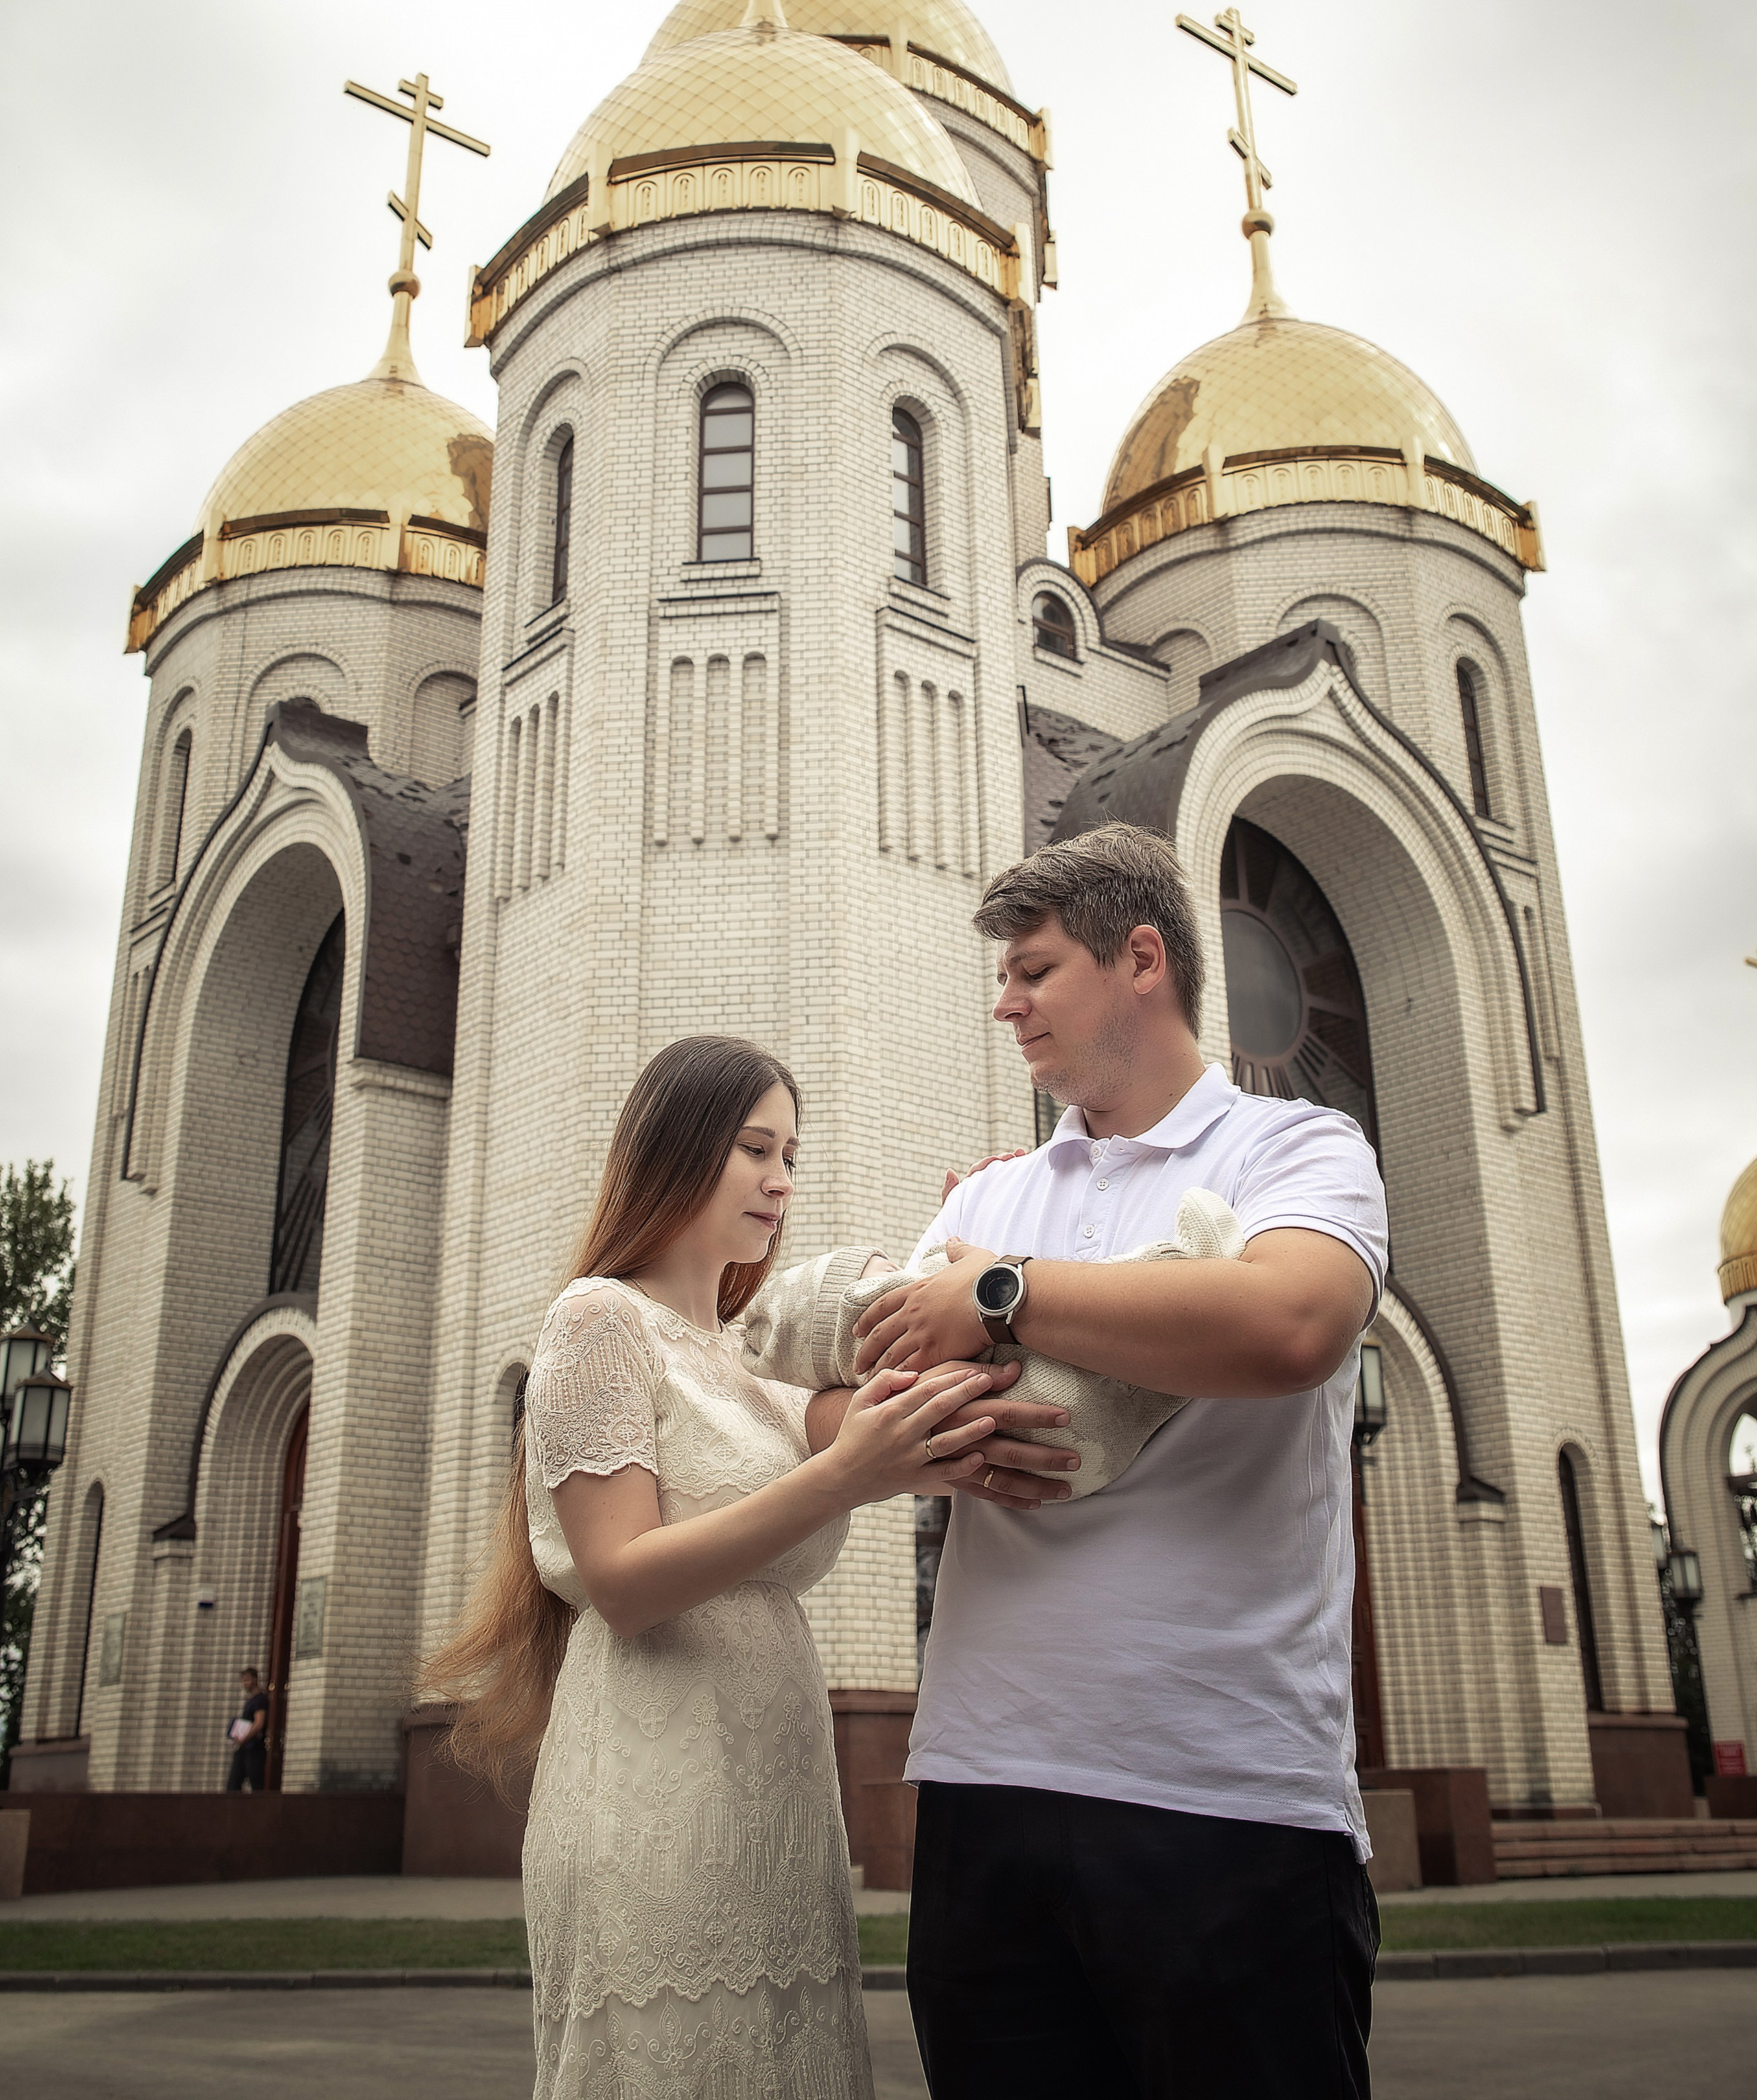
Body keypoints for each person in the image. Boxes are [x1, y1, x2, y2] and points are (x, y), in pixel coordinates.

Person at [423, 1033, 1072, 2100]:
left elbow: (950, 1410)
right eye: (756, 1150)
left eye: (791, 1157)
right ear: (677, 1149)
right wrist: (844, 1476)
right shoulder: (597, 1319)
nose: (782, 1181)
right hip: (656, 1783)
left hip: (780, 1787)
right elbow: (621, 1580)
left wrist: (1008, 1229)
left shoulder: (749, 1359)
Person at [852, 822, 1386, 2100]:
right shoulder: (987, 1196)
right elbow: (871, 1400)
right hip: (982, 1784)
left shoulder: (1296, 1150)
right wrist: (951, 1406)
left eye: (1034, 970)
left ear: (1141, 959)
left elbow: (1290, 1323)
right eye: (1006, 975)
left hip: (1229, 1796)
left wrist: (1002, 1296)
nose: (1007, 1002)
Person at [225, 1667, 268, 1790]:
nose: (245, 1684)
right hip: (245, 1747)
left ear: (255, 1680)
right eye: (243, 1681)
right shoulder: (252, 1701)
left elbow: (259, 1723)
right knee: (233, 1784)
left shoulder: (260, 1700)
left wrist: (244, 1738)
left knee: (256, 1782)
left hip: (254, 1747)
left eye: (247, 1680)